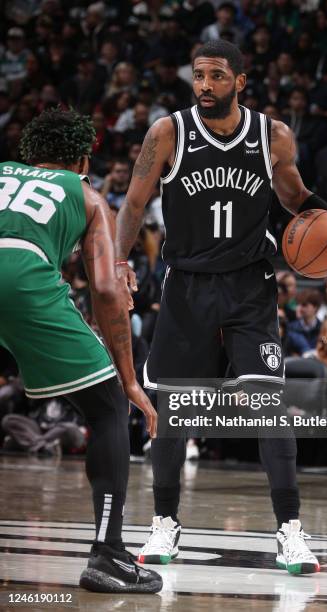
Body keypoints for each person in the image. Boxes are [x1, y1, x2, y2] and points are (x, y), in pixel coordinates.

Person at [115, 40, 327, 576]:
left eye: (217, 76)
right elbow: (133, 203)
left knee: (266, 406)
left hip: (250, 285)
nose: (205, 85)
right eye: (199, 75)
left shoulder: (272, 135)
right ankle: (164, 523)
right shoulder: (168, 132)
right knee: (174, 409)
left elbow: (296, 197)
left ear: (240, 81)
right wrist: (117, 261)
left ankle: (290, 531)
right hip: (187, 285)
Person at [0, 108, 162, 594]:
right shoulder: (88, 195)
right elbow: (108, 294)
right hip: (21, 280)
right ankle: (108, 555)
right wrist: (130, 379)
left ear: (28, 153)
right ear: (83, 159)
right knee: (108, 406)